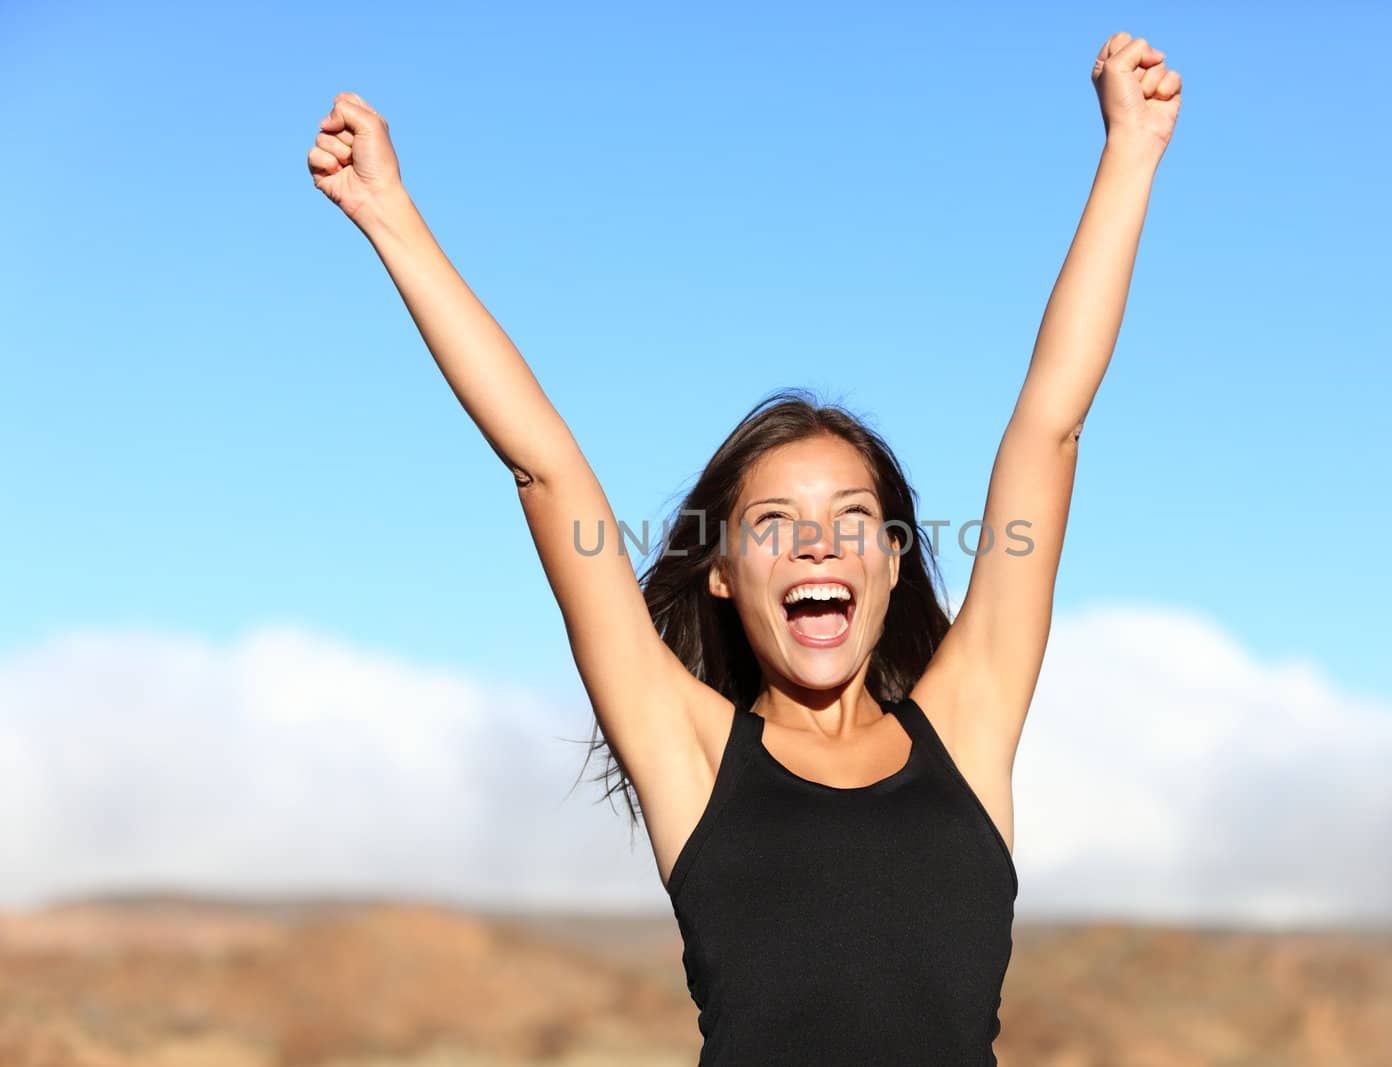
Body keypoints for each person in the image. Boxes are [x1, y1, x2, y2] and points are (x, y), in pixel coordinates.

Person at [307, 29, 1180, 1066]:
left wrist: (1130, 153)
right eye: (773, 523)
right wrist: (389, 214)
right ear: (721, 573)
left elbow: (1051, 423)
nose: (817, 541)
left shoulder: (970, 723)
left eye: (853, 518)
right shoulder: (691, 754)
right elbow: (543, 465)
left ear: (894, 559)